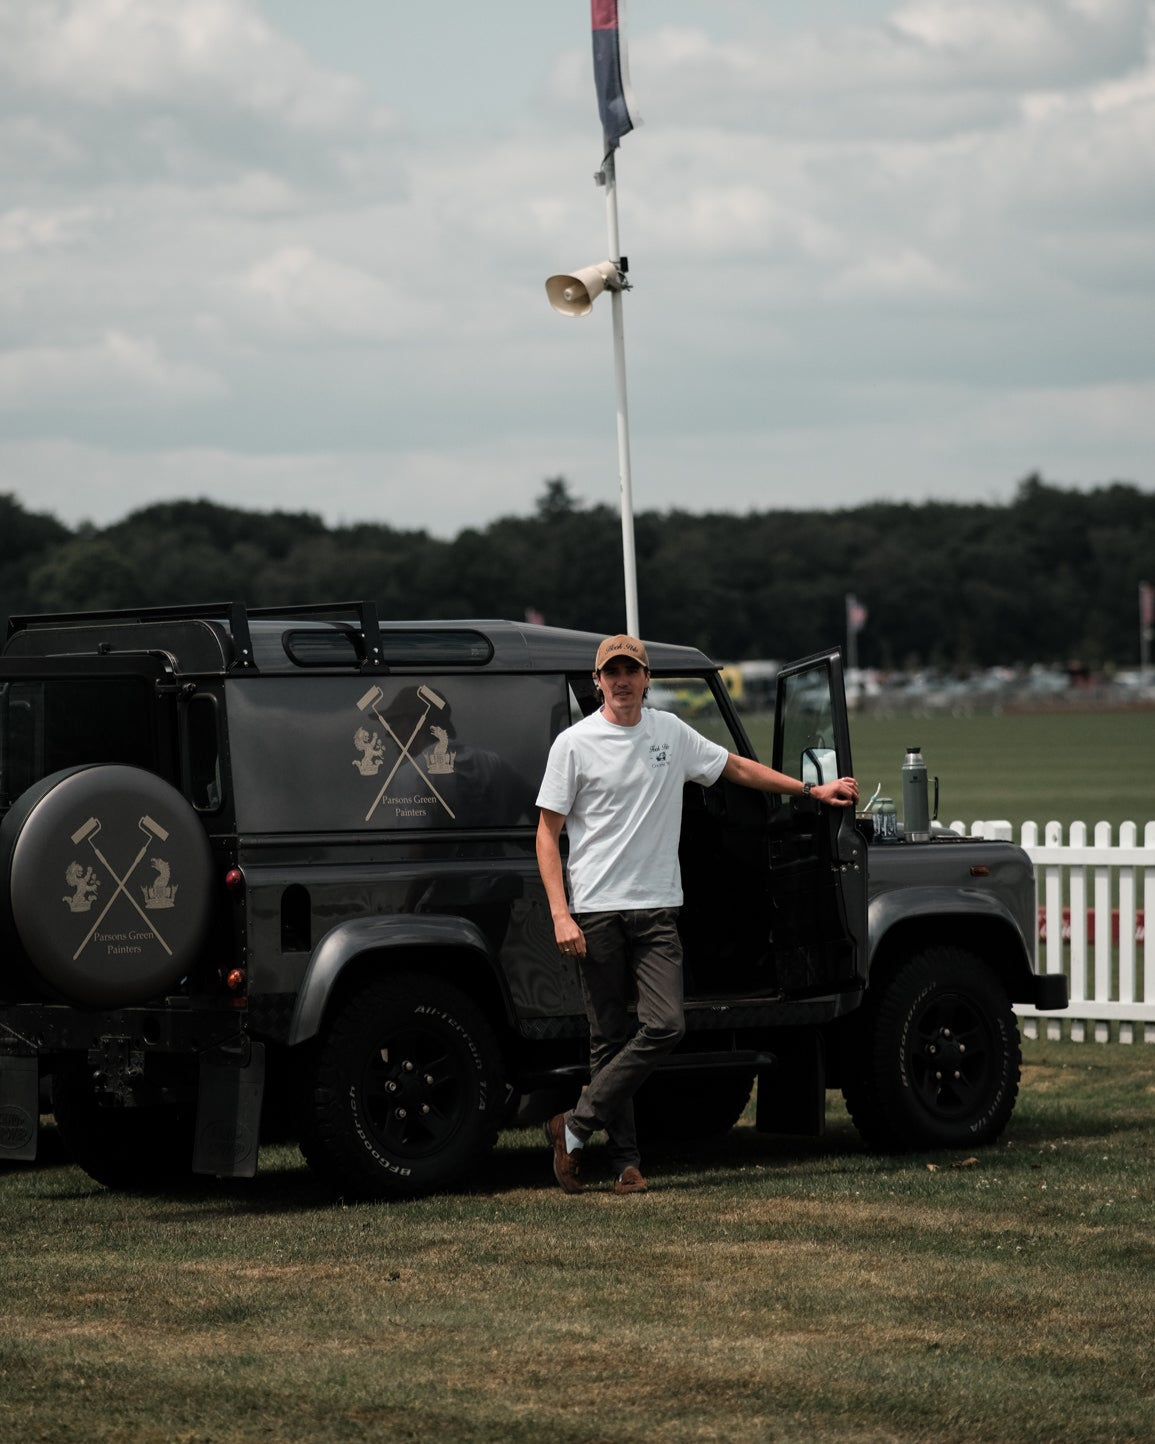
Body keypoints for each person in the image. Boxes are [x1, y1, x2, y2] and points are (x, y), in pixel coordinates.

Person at [535, 633, 858, 1196]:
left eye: (630, 671)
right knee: (608, 1039)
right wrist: (561, 914)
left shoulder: (670, 733)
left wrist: (811, 790)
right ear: (597, 682)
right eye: (611, 673)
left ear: (646, 679)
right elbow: (547, 834)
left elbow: (736, 768)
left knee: (665, 1025)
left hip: (657, 909)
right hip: (594, 912)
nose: (621, 681)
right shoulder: (573, 744)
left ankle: (575, 1126)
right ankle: (626, 1163)